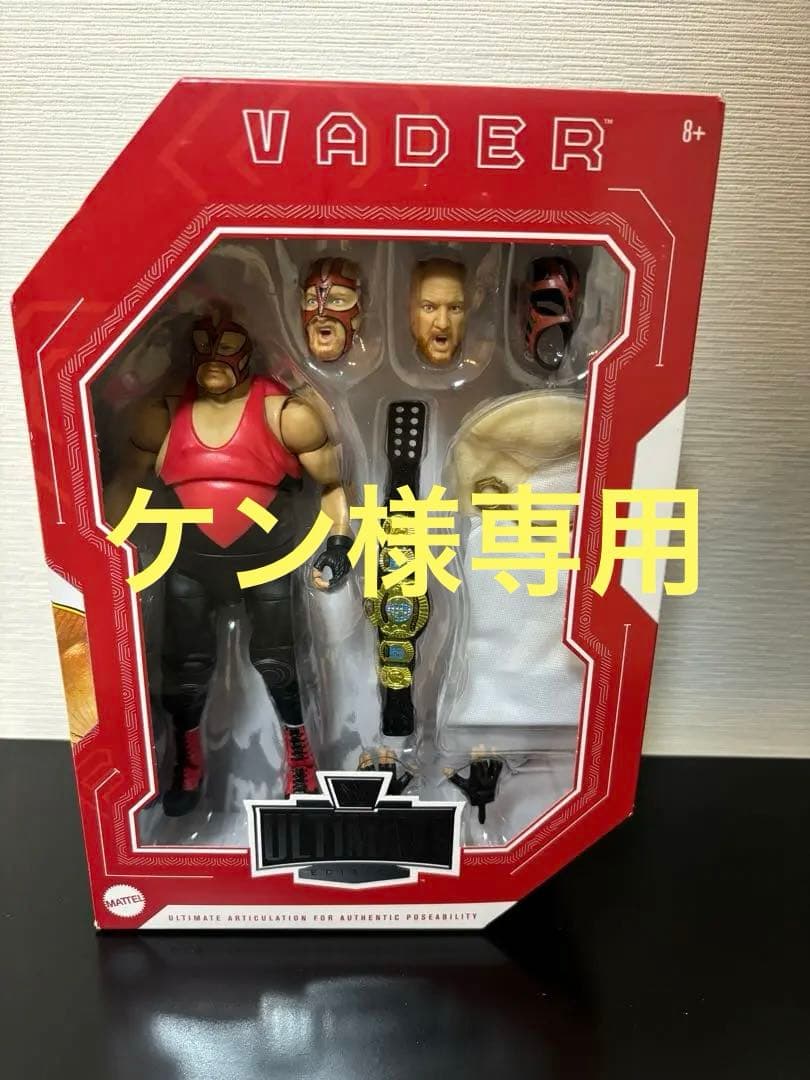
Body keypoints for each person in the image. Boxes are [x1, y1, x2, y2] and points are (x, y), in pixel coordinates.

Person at [104, 305, 352, 815]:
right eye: (205, 345)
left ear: (247, 351)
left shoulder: (285, 414)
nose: (214, 355)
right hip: (189, 561)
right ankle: (186, 762)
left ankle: (300, 759)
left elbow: (332, 485)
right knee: (184, 671)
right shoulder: (163, 412)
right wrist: (106, 547)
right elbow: (125, 481)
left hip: (268, 561)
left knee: (280, 664)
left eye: (227, 345)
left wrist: (339, 539)